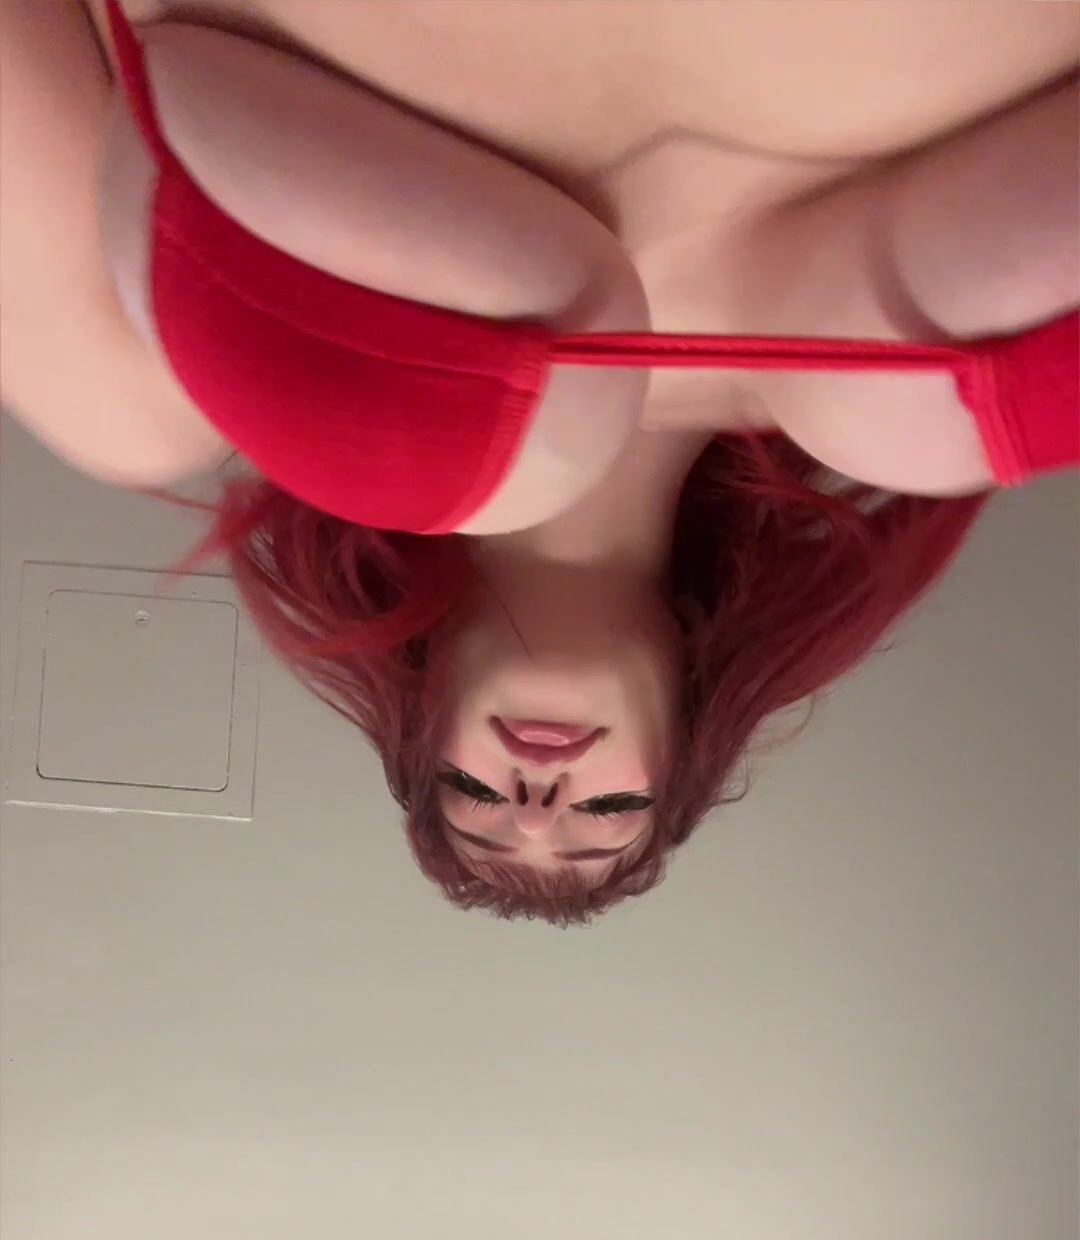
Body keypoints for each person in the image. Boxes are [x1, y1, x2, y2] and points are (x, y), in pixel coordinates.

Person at [3, 2, 1078, 923]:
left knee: (127, 427)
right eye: (608, 814)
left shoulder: (142, 399)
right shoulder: (883, 419)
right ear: (689, 739)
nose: (537, 804)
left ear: (419, 717)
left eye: (475, 798)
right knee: (908, 421)